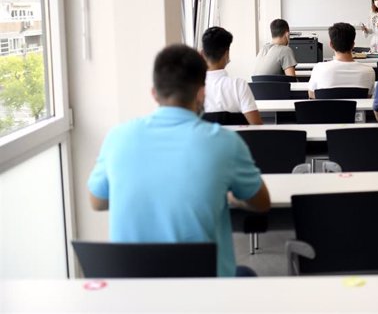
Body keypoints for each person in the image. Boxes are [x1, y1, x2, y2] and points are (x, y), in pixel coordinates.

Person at [87, 44, 271, 277]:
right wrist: (231, 196)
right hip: (205, 292)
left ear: (154, 92)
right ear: (201, 92)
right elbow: (262, 203)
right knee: (246, 275)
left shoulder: (117, 137)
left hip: (134, 294)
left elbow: (97, 202)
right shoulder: (224, 142)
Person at [202, 27, 262, 125]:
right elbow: (257, 126)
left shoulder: (194, 88)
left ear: (203, 54)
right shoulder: (238, 85)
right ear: (227, 54)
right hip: (236, 140)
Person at [307, 22, 375, 98]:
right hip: (355, 110)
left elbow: (312, 95)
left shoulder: (319, 68)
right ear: (353, 45)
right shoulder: (369, 71)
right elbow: (368, 97)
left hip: (325, 110)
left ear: (331, 44)